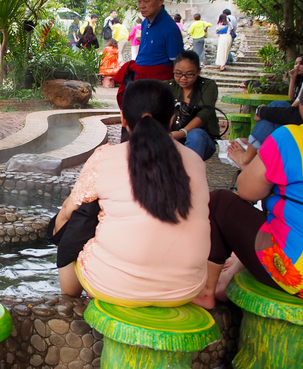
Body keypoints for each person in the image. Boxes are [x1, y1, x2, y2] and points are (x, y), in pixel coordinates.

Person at [54, 79, 210, 306]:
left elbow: (68, 211)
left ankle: (69, 294)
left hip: (113, 287)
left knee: (82, 208)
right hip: (186, 290)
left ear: (124, 119)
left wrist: (58, 232)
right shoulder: (196, 161)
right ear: (172, 119)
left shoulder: (105, 157)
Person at [194, 62, 303, 308]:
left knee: (222, 202)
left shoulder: (292, 137)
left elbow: (246, 191)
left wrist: (251, 166)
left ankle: (206, 291)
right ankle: (232, 273)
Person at [228, 43, 303, 169]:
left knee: (276, 117)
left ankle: (247, 157)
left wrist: (263, 112)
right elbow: (294, 105)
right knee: (278, 106)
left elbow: (296, 114)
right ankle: (252, 147)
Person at [114, 0, 184, 109]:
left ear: (160, 0)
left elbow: (178, 65)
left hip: (157, 85)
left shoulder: (170, 29)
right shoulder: (145, 22)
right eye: (139, 1)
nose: (142, 5)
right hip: (139, 79)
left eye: (146, 1)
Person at [169, 51, 220, 161]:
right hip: (172, 138)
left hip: (201, 139)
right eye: (178, 73)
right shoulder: (168, 86)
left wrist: (182, 133)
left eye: (189, 74)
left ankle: (192, 174)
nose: (183, 78)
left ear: (198, 71)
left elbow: (205, 113)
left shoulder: (207, 86)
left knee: (196, 135)